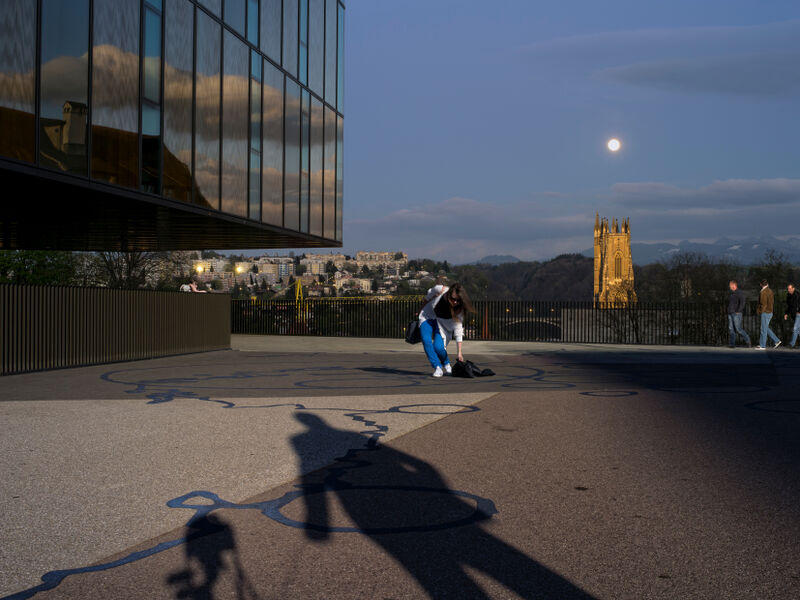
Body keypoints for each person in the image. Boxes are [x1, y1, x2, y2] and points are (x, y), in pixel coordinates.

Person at [417, 282, 474, 377]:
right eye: (452, 299)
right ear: (448, 294)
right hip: (427, 316)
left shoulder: (459, 310)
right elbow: (427, 299)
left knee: (438, 347)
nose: (455, 302)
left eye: (458, 300)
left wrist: (459, 352)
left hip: (442, 324)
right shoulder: (440, 289)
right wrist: (419, 310)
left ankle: (446, 363)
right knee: (426, 340)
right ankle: (437, 367)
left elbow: (458, 330)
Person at [755, 279, 781, 349]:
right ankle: (777, 340)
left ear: (761, 284)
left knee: (763, 329)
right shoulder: (770, 291)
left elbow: (763, 304)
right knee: (765, 328)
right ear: (767, 284)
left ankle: (762, 345)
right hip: (770, 312)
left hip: (765, 312)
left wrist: (760, 311)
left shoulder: (763, 292)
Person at [726, 280, 751, 348]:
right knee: (731, 329)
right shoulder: (731, 293)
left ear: (734, 285)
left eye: (730, 285)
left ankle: (748, 341)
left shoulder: (739, 292)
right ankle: (732, 344)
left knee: (738, 329)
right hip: (730, 313)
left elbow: (743, 302)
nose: (729, 286)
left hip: (736, 313)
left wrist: (738, 310)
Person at [784, 283, 800, 348]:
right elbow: (789, 306)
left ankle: (792, 344)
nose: (789, 290)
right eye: (788, 288)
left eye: (790, 288)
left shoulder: (797, 294)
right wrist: (786, 313)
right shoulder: (788, 296)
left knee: (795, 328)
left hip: (799, 314)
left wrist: (799, 311)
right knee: (798, 330)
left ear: (793, 288)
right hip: (793, 315)